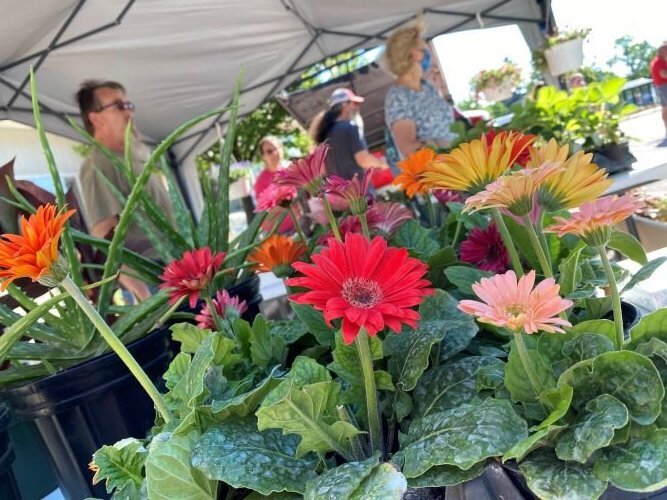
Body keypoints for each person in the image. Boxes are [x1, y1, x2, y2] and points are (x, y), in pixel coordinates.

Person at [76, 80, 174, 301]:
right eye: (119, 106)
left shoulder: (138, 152)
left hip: (174, 262)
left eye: (129, 105)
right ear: (96, 117)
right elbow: (103, 233)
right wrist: (141, 292)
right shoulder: (97, 163)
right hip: (151, 277)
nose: (128, 111)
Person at [384, 21, 457, 159]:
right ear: (415, 54)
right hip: (436, 173)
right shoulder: (398, 96)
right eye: (423, 47)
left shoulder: (427, 87)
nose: (426, 52)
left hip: (453, 165)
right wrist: (443, 151)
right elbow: (408, 148)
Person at [309, 88, 388, 178]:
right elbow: (363, 159)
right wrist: (382, 163)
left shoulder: (323, 134)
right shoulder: (351, 127)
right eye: (354, 103)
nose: (357, 107)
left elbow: (321, 170)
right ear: (344, 105)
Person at [253, 135, 294, 233]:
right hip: (277, 232)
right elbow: (265, 213)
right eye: (269, 151)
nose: (275, 153)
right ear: (263, 157)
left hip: (299, 225)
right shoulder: (261, 181)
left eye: (277, 148)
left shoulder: (289, 170)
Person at [650, 42, 667, 144]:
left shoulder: (661, 61)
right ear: (662, 51)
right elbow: (664, 74)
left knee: (665, 109)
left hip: (661, 87)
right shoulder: (659, 62)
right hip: (663, 87)